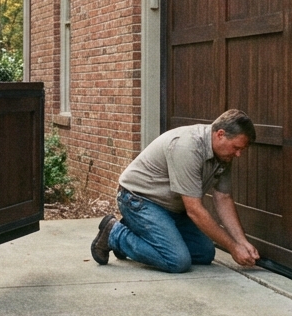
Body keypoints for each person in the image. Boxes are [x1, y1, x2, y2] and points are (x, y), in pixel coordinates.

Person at [90, 109, 261, 273]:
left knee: (205, 253)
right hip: (138, 199)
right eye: (236, 148)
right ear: (220, 134)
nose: (238, 154)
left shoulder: (223, 154)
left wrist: (242, 242)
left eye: (241, 150)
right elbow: (194, 210)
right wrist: (233, 248)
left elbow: (223, 198)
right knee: (177, 260)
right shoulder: (188, 147)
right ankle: (115, 234)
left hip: (170, 208)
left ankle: (137, 233)